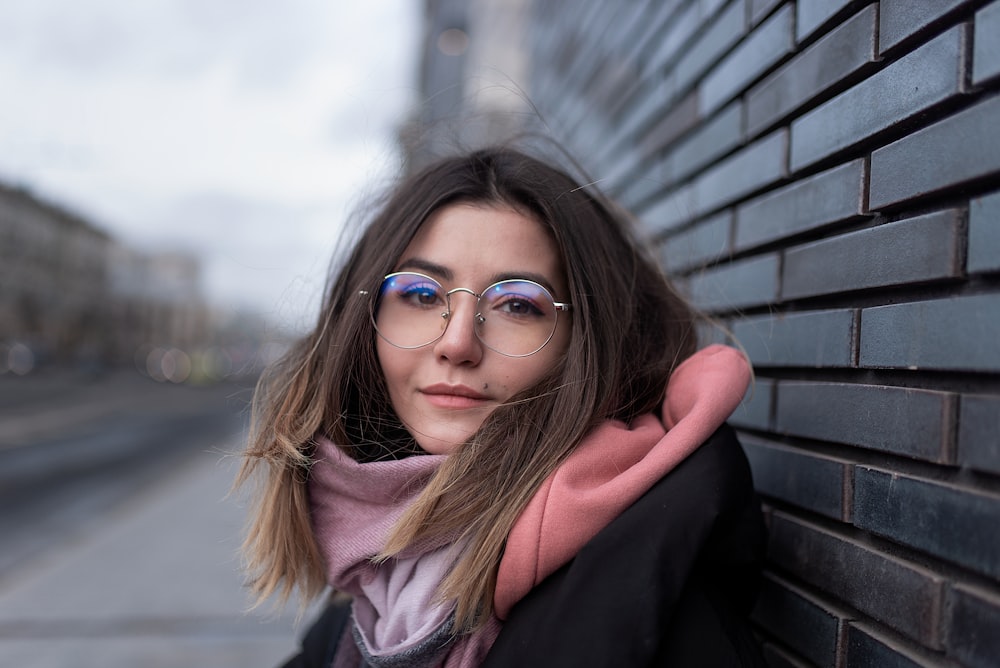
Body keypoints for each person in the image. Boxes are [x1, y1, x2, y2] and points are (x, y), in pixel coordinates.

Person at [237, 146, 767, 667]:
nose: (458, 343)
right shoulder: (374, 587)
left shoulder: (653, 609)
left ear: (587, 342)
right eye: (422, 295)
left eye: (517, 304)